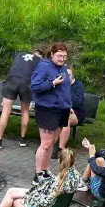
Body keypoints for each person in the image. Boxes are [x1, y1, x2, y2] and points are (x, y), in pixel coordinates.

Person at [30, 43, 72, 185]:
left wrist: (68, 104)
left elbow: (65, 89)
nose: (62, 59)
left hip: (62, 109)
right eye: (59, 56)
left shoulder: (63, 67)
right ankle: (38, 174)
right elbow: (35, 86)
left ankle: (46, 170)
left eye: (65, 56)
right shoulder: (44, 66)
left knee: (52, 142)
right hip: (48, 109)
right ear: (51, 54)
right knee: (46, 144)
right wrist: (52, 83)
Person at [0, 49, 44, 149]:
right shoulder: (40, 61)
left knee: (5, 112)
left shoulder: (20, 54)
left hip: (12, 79)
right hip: (27, 82)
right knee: (25, 111)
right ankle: (22, 139)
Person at [54, 67, 86, 159]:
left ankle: (61, 148)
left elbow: (77, 101)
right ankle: (50, 146)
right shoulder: (59, 84)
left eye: (69, 75)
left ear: (73, 76)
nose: (67, 77)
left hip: (76, 112)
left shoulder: (78, 85)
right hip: (59, 110)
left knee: (66, 118)